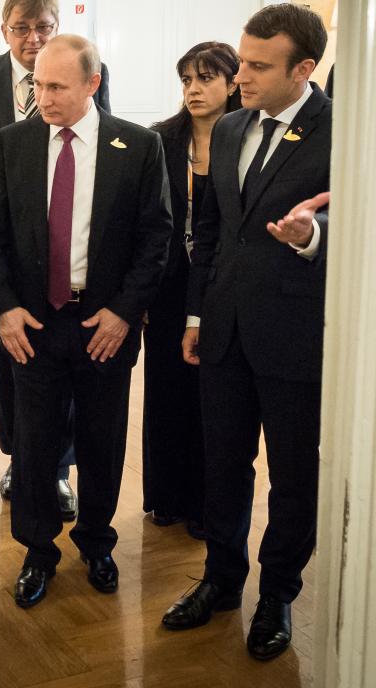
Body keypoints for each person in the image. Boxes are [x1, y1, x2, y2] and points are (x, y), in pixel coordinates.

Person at [0, 34, 172, 608]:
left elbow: (154, 239)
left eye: (57, 86)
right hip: (33, 321)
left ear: (92, 83)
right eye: (37, 83)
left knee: (103, 438)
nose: (44, 96)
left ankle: (96, 542)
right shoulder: (10, 144)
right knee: (34, 443)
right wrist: (5, 309)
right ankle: (37, 551)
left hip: (103, 323)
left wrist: (125, 313)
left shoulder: (136, 146)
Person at [162, 3, 332, 662]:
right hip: (224, 331)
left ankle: (278, 594)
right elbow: (210, 231)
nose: (243, 77)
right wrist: (199, 315)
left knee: (292, 477)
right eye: (244, 61)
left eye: (260, 67)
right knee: (223, 465)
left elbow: (364, 224)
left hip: (295, 337)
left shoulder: (341, 129)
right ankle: (222, 581)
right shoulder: (229, 128)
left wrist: (313, 235)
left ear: (304, 68)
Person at [0, 0, 112, 516]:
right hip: (2, 247)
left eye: (44, 27)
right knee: (10, 358)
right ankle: (21, 456)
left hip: (67, 245)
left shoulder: (87, 73)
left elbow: (102, 154)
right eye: (22, 28)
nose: (33, 38)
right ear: (4, 30)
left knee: (65, 364)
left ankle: (57, 468)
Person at [142, 42, 242, 539]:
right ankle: (166, 495)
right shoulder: (161, 139)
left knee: (212, 395)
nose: (194, 89)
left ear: (232, 82)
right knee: (165, 389)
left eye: (205, 78)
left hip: (220, 282)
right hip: (166, 282)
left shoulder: (246, 137)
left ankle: (206, 502)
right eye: (186, 80)